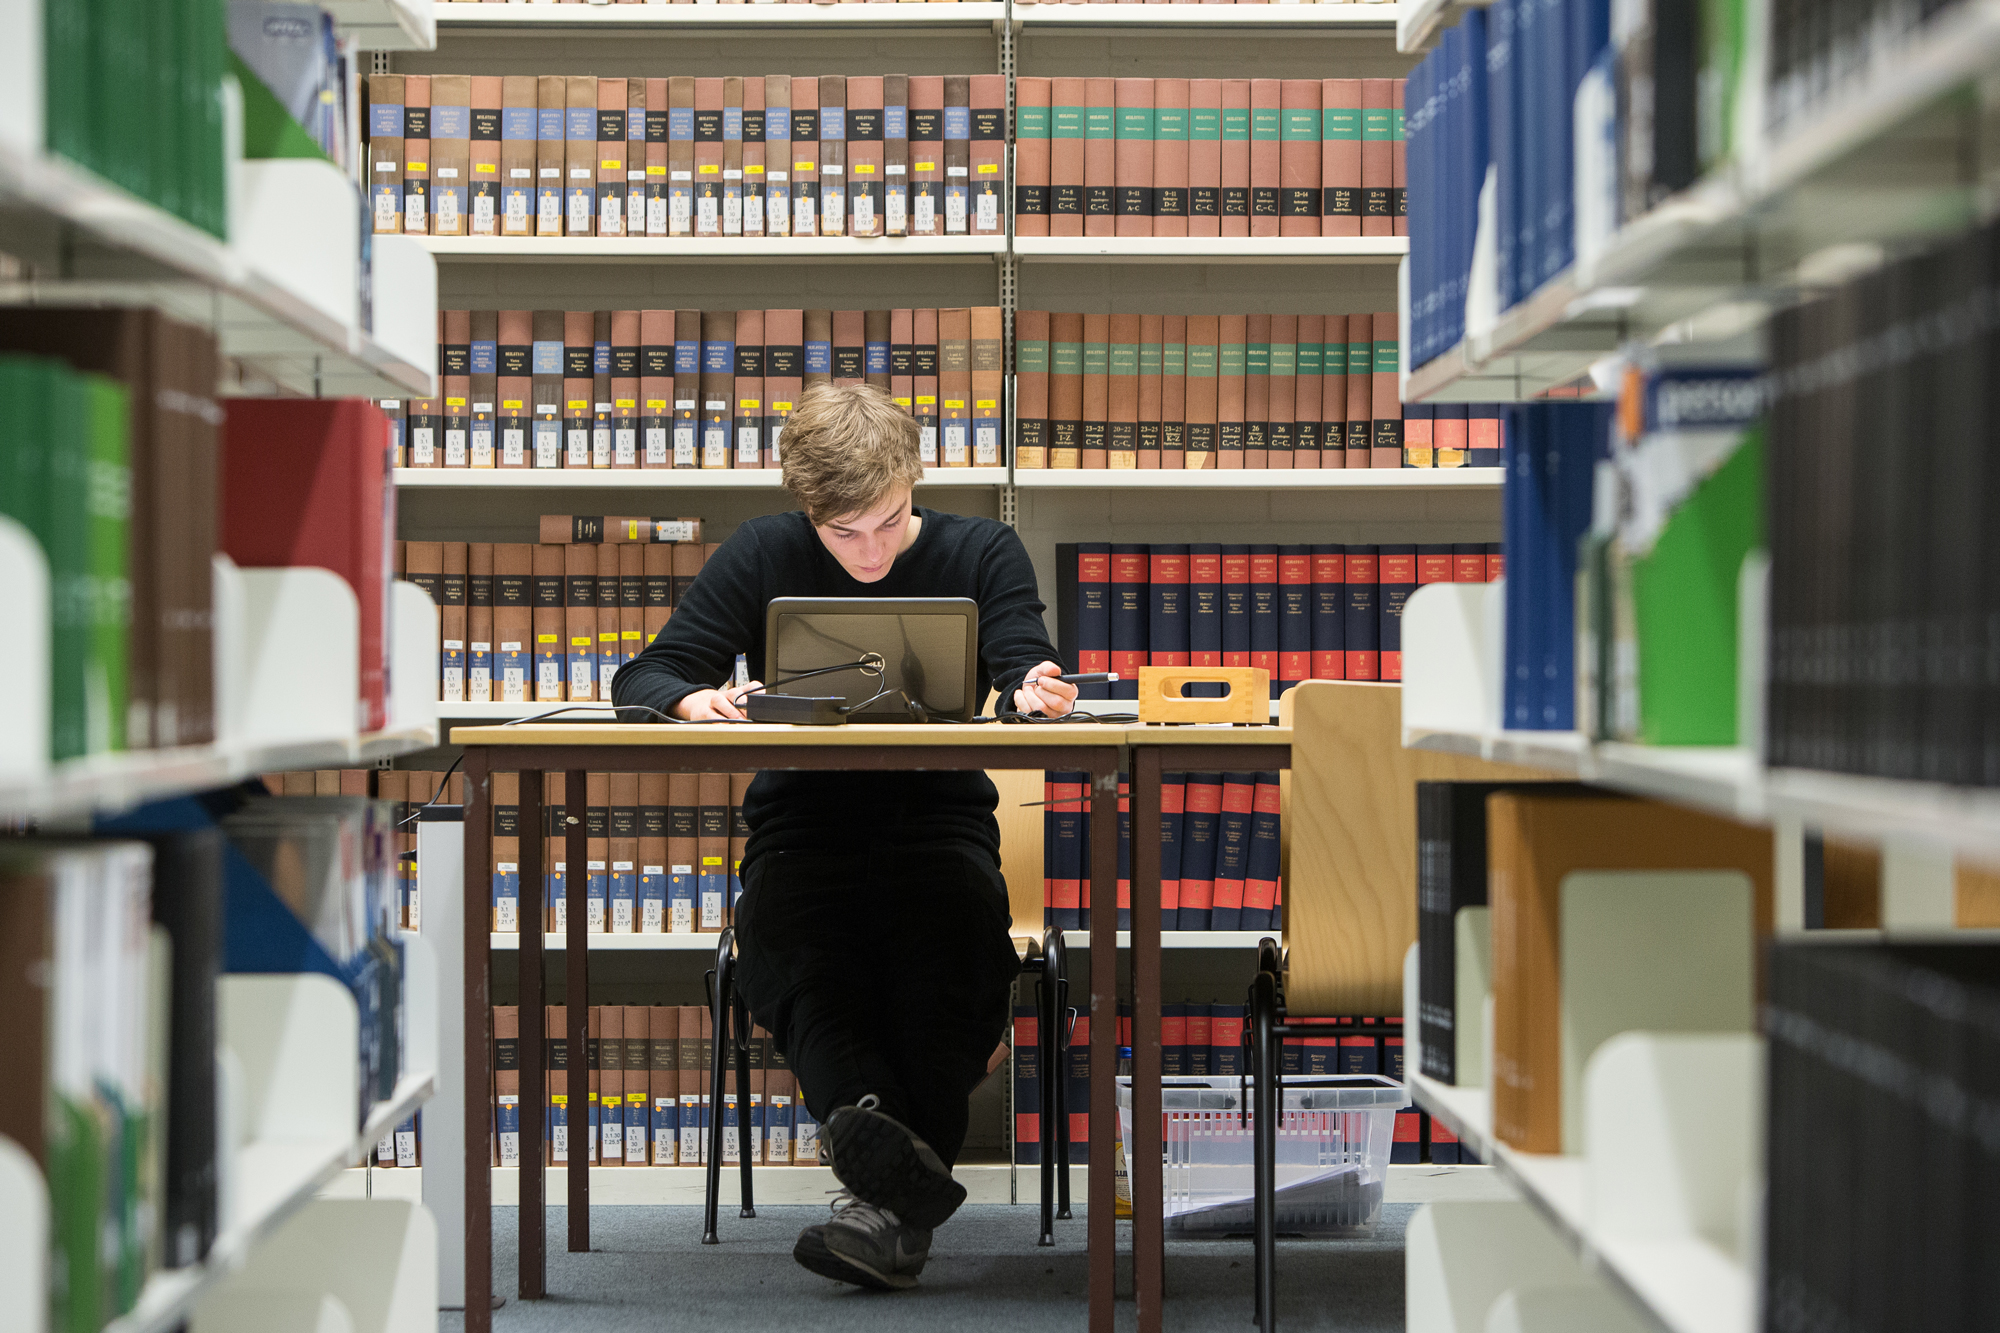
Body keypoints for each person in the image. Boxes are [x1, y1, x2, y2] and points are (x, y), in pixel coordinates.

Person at [611, 382, 1079, 1291]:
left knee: (953, 959)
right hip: (803, 829)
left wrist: (1033, 686)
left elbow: (1023, 655)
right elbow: (647, 673)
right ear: (806, 510)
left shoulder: (983, 548)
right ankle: (894, 1184)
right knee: (800, 955)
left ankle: (873, 1171)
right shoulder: (763, 549)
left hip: (939, 826)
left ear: (915, 482)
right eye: (842, 532)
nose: (869, 551)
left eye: (889, 522)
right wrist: (692, 698)